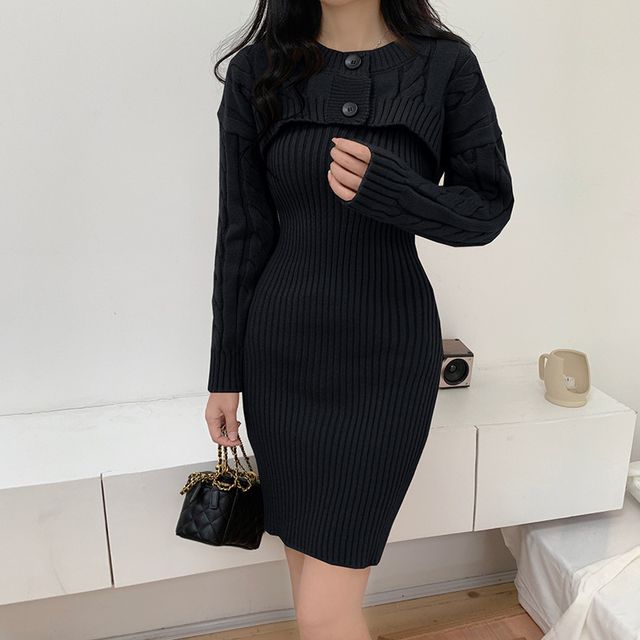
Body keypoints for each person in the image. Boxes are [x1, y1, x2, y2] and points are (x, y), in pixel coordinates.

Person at [204, 1, 515, 638]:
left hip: (386, 358)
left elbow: (487, 209)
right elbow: (242, 233)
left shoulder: (445, 64)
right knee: (308, 585)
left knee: (325, 609)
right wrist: (224, 374)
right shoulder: (257, 70)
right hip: (280, 358)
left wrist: (401, 194)